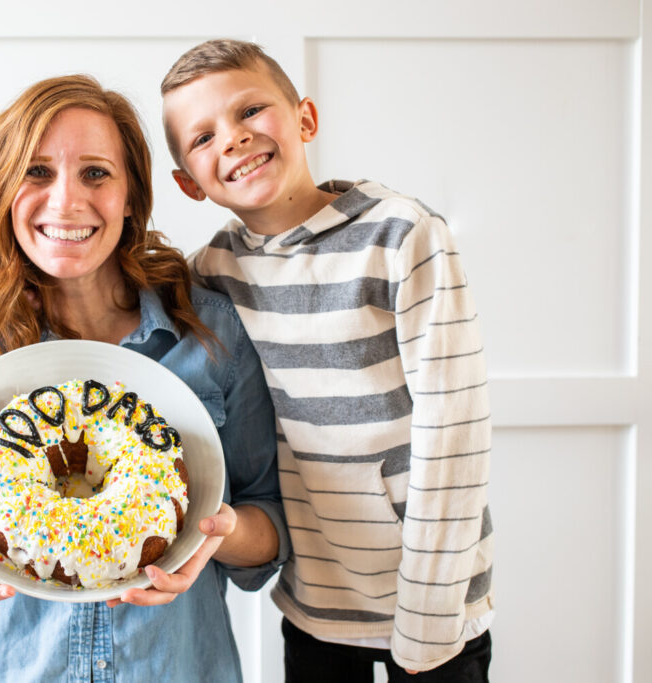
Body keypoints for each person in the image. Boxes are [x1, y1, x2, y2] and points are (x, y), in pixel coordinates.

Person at [0, 74, 287, 683]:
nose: (66, 203)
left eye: (96, 173)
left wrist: (214, 533)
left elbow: (265, 531)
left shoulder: (210, 336)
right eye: (37, 172)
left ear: (132, 194)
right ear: (3, 191)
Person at [160, 39, 495, 681]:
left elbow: (455, 429)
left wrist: (428, 616)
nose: (232, 139)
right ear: (187, 183)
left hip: (434, 600)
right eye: (202, 138)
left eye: (250, 110)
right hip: (316, 602)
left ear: (305, 119)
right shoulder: (212, 273)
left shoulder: (402, 236)